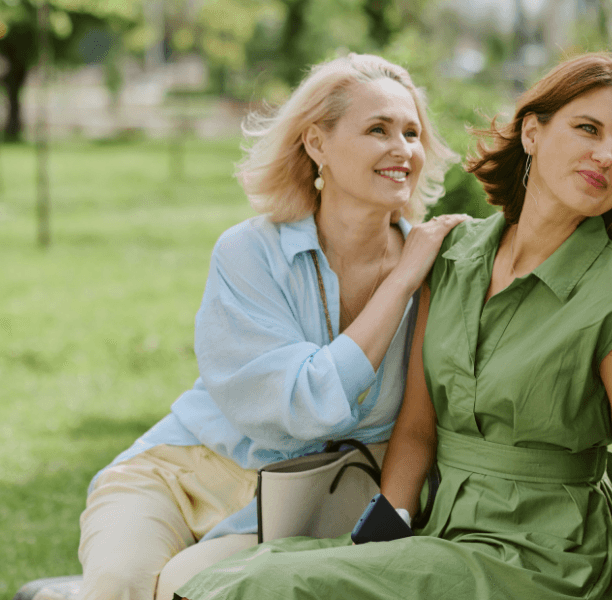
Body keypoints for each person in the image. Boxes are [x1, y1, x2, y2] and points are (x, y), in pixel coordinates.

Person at [176, 52, 612, 600]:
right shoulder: (452, 256)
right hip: (438, 535)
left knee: (258, 589)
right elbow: (417, 426)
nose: (604, 155)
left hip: (547, 560)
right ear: (532, 132)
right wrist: (378, 539)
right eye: (588, 128)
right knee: (236, 576)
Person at [77, 53, 470, 600]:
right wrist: (399, 283)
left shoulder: (438, 269)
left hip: (310, 503)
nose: (402, 149)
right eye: (377, 129)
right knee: (116, 586)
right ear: (317, 144)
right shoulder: (250, 251)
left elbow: (423, 422)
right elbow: (298, 405)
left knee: (188, 589)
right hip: (182, 471)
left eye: (411, 132)